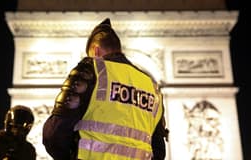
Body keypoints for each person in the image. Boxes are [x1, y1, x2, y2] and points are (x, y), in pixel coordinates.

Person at [42, 18, 169, 160]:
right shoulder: (151, 86)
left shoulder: (92, 69)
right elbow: (158, 150)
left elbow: (53, 134)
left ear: (95, 51)